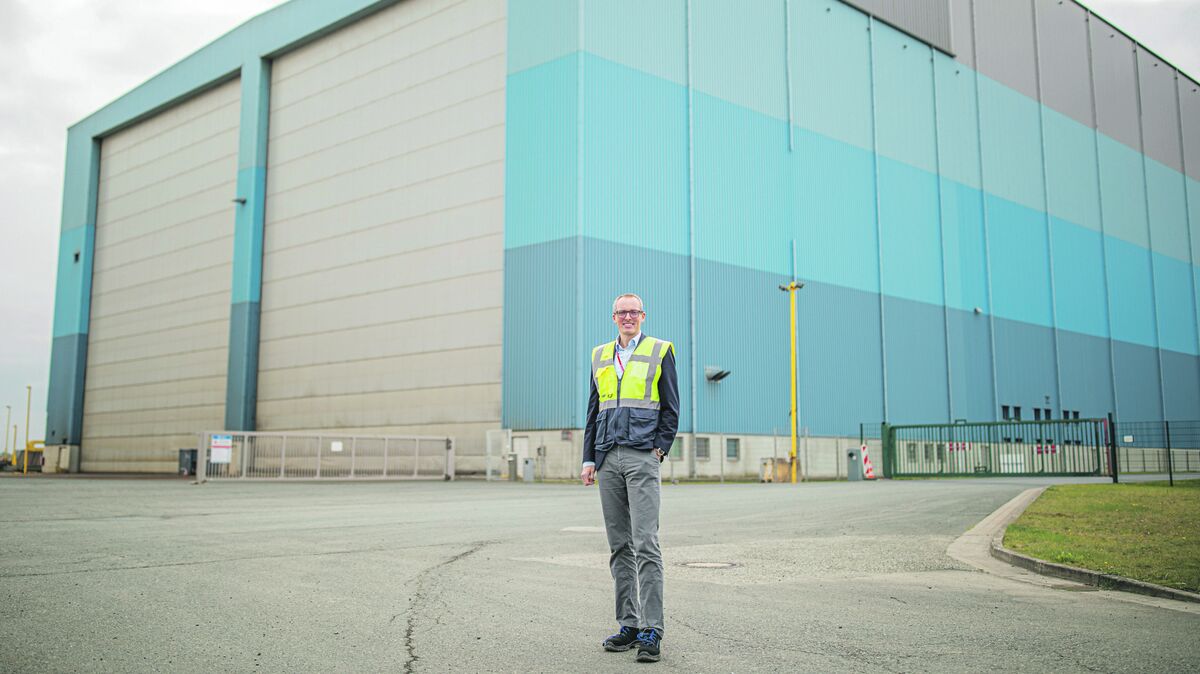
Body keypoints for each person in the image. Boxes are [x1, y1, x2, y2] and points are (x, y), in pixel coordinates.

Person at [581, 292, 680, 663]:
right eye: (622, 312)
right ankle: (630, 624)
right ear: (613, 317)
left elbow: (671, 406)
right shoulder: (599, 355)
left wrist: (659, 448)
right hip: (608, 457)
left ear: (643, 315)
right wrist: (589, 458)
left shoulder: (660, 349)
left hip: (641, 455)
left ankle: (653, 628)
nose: (628, 317)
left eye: (633, 312)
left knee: (646, 543)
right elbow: (593, 410)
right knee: (619, 545)